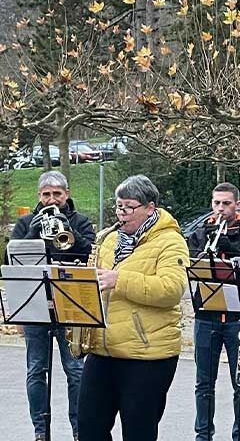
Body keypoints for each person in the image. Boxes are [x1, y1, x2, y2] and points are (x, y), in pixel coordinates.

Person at [79, 175, 189, 441]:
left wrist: (120, 280)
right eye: (118, 207)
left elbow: (172, 290)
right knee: (89, 428)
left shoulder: (171, 242)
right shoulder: (108, 239)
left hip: (147, 354)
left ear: (150, 207)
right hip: (103, 348)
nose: (121, 214)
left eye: (128, 207)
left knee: (138, 432)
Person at [9, 171, 96, 440]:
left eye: (57, 194)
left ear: (66, 194)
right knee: (36, 370)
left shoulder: (81, 221)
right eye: (46, 194)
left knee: (76, 371)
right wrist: (34, 232)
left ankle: (80, 429)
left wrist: (67, 230)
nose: (52, 199)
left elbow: (90, 254)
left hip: (70, 305)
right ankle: (40, 430)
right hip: (35, 305)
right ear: (39, 196)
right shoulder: (25, 223)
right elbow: (10, 260)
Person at [184, 182, 240, 441]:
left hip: (239, 319)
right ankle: (203, 436)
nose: (220, 209)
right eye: (216, 203)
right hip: (207, 316)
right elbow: (190, 266)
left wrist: (229, 246)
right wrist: (207, 248)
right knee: (204, 385)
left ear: (237, 205)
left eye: (226, 203)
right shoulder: (200, 234)